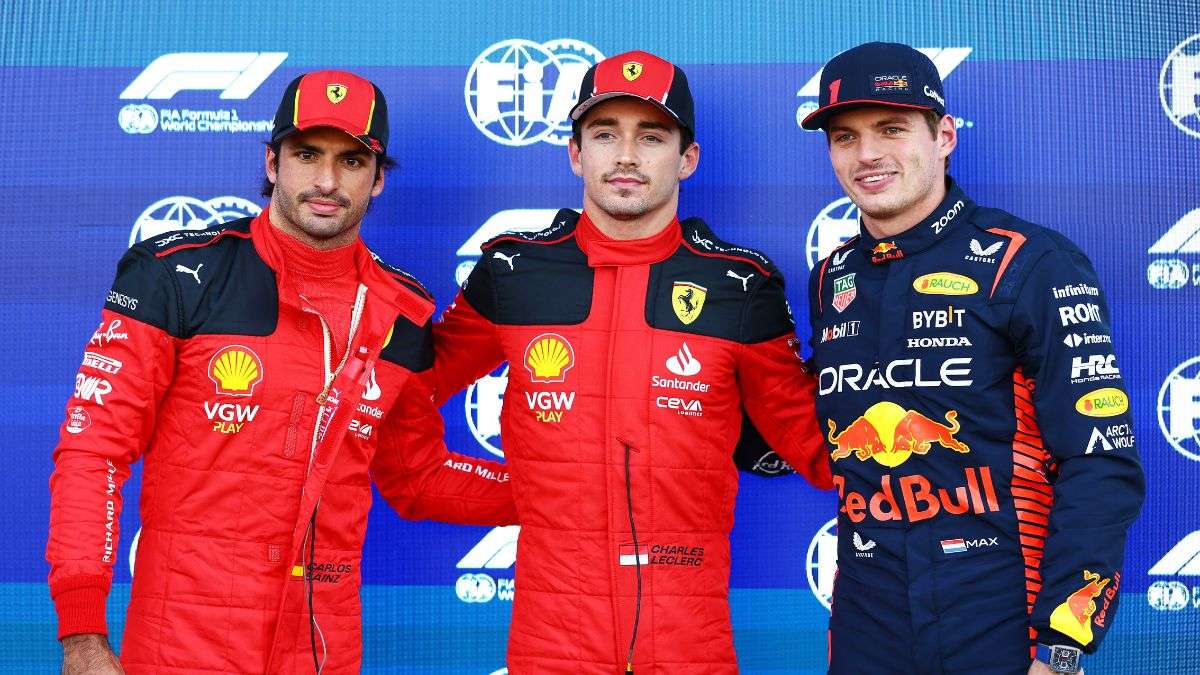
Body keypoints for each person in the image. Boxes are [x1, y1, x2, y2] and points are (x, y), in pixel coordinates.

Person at [47, 70, 516, 674]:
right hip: (181, 647)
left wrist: (570, 495)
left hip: (323, 650)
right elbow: (95, 452)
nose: (326, 180)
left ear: (377, 181)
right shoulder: (174, 277)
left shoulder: (402, 315)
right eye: (306, 155)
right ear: (272, 163)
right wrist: (82, 630)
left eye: (351, 161)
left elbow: (418, 478)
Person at [431, 50, 832, 673]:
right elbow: (400, 391)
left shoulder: (738, 285)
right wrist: (504, 493)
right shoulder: (513, 272)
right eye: (604, 135)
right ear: (575, 153)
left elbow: (817, 445)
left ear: (687, 158)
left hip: (688, 639)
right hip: (550, 641)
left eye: (651, 137)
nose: (626, 156)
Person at [800, 42, 1144, 675]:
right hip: (865, 620)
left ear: (944, 136)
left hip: (1000, 615)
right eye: (845, 137)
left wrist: (1065, 647)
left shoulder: (1029, 262)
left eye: (892, 129)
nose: (868, 154)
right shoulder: (832, 278)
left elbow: (1100, 461)